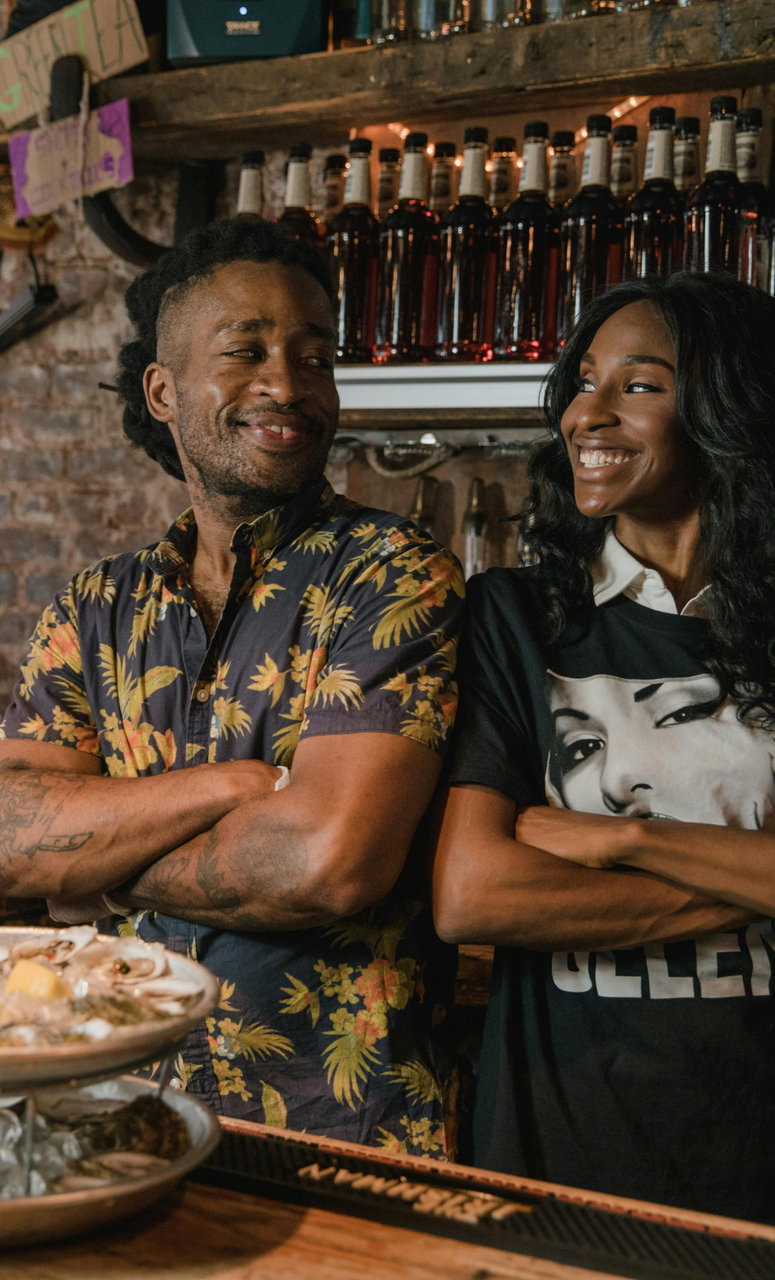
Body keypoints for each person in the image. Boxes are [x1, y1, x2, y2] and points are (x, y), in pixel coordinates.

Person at [432, 272, 775, 1240]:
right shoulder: (518, 618)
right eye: (581, 381)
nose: (584, 413)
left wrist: (619, 841)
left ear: (728, 410)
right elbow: (476, 893)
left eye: (636, 385)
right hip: (567, 1163)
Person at [0, 218, 465, 1154]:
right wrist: (231, 787)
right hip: (112, 1116)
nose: (287, 386)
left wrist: (91, 869)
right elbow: (11, 844)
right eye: (246, 352)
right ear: (164, 391)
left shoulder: (391, 574)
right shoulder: (93, 610)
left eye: (314, 357)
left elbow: (329, 861)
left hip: (341, 1130)